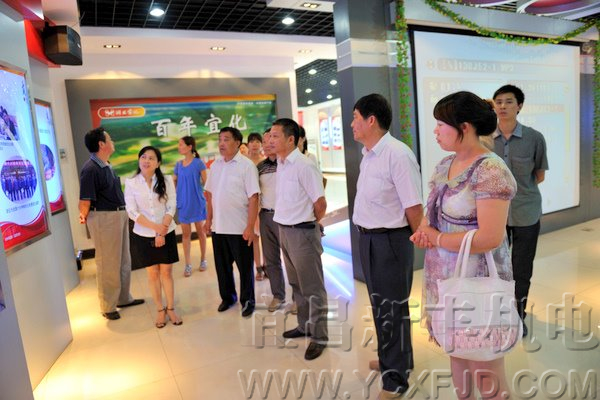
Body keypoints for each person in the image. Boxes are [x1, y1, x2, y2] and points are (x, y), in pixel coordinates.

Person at [411, 91, 517, 399]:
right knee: (457, 355)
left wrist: (438, 238)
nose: (435, 131)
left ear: (465, 127)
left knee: (486, 371)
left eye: (441, 124)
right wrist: (424, 230)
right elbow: (432, 214)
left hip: (476, 283)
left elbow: (490, 238)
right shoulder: (446, 164)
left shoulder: (490, 169)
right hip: (445, 280)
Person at [351, 94, 423, 399]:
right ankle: (393, 361)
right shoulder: (369, 154)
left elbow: (414, 206)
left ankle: (395, 380)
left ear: (371, 120)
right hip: (369, 239)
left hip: (390, 242)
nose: (352, 124)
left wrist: (423, 243)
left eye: (355, 118)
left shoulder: (397, 154)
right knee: (382, 306)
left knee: (392, 308)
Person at [269, 118, 328, 361]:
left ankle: (320, 336)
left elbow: (320, 203)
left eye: (275, 136)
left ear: (290, 139)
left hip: (302, 232)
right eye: (270, 136)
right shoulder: (282, 163)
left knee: (312, 287)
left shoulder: (304, 165)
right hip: (284, 230)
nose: (270, 140)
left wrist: (308, 224)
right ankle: (305, 325)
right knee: (296, 284)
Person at [492, 84, 548, 337]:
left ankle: (518, 316)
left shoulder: (534, 138)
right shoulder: (484, 139)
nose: (503, 106)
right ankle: (499, 314)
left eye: (508, 101)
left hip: (526, 212)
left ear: (520, 106)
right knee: (496, 268)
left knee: (522, 268)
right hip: (495, 216)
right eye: (498, 102)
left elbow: (539, 175)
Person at [79, 127, 144, 320]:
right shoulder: (90, 169)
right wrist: (84, 217)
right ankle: (108, 306)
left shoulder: (106, 165)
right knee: (108, 262)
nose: (112, 142)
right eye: (109, 139)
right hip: (104, 218)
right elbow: (84, 201)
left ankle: (123, 298)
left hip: (117, 215)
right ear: (101, 144)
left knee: (123, 259)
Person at [204, 127, 260, 317]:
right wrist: (208, 220)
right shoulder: (215, 165)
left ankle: (248, 300)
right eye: (220, 139)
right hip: (219, 227)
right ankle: (228, 297)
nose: (221, 143)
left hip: (239, 227)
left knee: (245, 268)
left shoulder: (246, 166)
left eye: (226, 139)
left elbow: (254, 197)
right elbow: (210, 195)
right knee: (222, 267)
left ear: (237, 143)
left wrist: (250, 226)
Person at [125, 146, 181, 328]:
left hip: (167, 230)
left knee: (167, 272)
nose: (146, 161)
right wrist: (156, 228)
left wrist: (162, 229)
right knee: (153, 273)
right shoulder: (131, 183)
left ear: (158, 163)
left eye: (151, 158)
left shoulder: (166, 180)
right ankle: (159, 310)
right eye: (143, 157)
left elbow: (171, 204)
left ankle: (170, 308)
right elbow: (132, 212)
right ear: (139, 160)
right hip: (144, 234)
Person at [256, 128, 286, 312]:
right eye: (264, 142)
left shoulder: (287, 163)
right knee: (271, 259)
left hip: (286, 216)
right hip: (266, 216)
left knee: (292, 259)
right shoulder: (260, 167)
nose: (266, 145)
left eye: (270, 140)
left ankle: (299, 298)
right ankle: (278, 295)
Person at [174, 136, 208, 277]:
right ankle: (188, 264)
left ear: (189, 147)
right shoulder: (178, 165)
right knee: (186, 235)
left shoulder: (199, 163)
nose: (179, 147)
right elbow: (175, 182)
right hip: (183, 203)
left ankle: (203, 259)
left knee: (201, 232)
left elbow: (206, 182)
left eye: (181, 144)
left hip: (197, 202)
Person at [246, 132, 267, 281]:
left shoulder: (266, 162)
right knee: (254, 237)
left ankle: (267, 266)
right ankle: (258, 267)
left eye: (257, 141)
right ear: (247, 144)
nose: (254, 144)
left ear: (261, 144)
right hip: (250, 205)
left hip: (265, 204)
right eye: (252, 141)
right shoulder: (244, 163)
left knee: (266, 238)